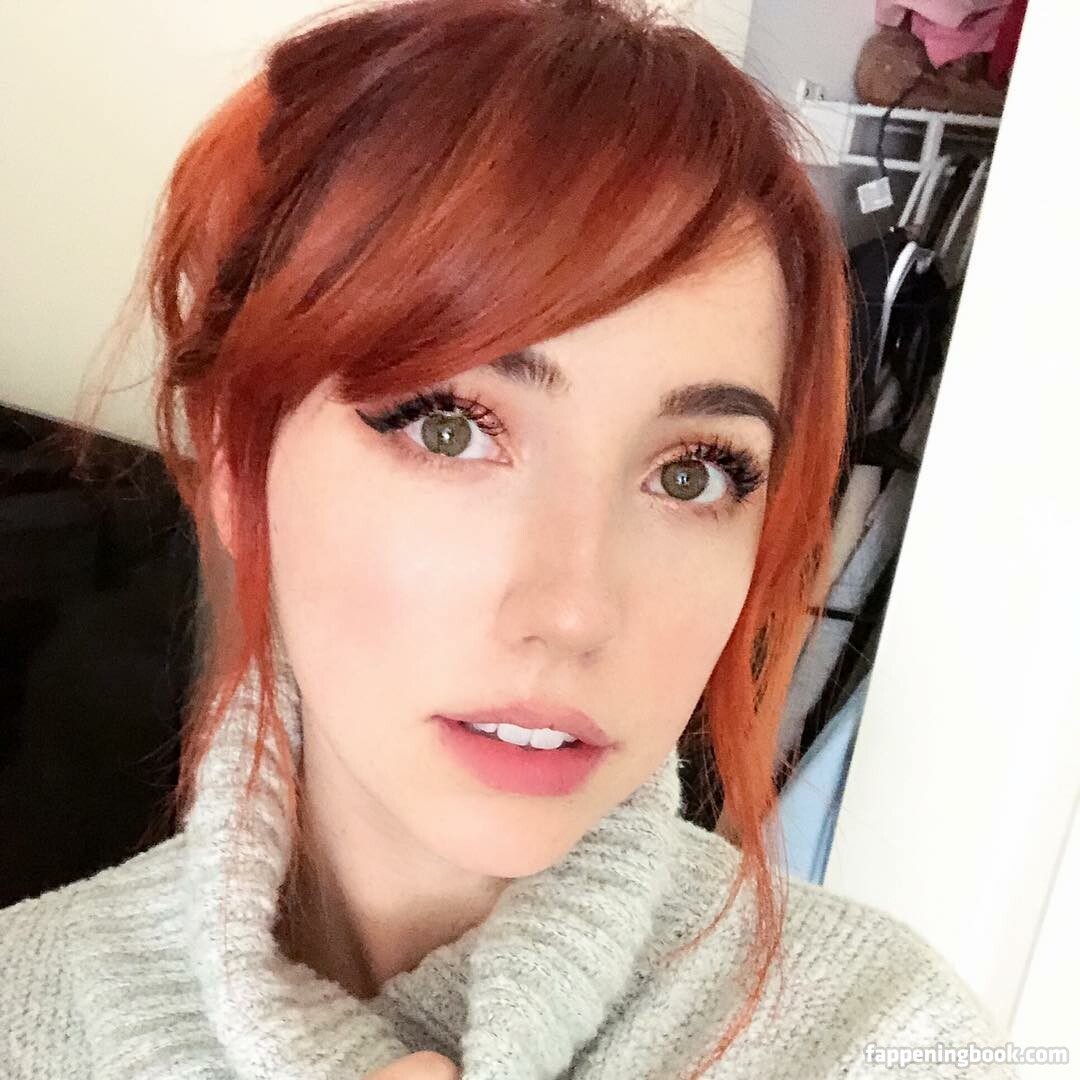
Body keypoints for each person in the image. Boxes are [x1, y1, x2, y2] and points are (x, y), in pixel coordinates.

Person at [0, 1, 1016, 1077]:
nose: (574, 610)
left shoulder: (888, 1036)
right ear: (237, 470)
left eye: (692, 473)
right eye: (448, 429)